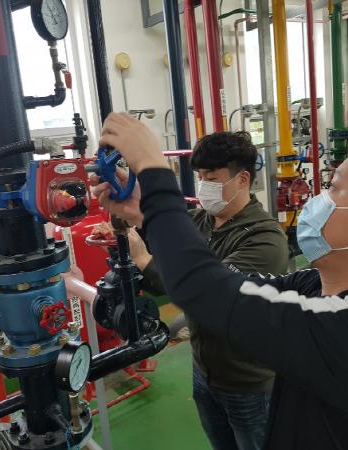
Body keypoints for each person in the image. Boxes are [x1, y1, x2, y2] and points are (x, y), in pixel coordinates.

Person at [93, 113, 348, 450]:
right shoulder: (318, 287)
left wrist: (154, 174)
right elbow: (230, 288)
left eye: (334, 188)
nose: (317, 200)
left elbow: (207, 289)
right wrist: (146, 212)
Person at [93, 131, 288, 450]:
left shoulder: (265, 239)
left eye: (211, 178)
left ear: (242, 179)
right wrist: (131, 206)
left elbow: (209, 295)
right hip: (203, 372)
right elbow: (162, 235)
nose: (203, 185)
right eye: (199, 177)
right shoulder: (201, 221)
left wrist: (142, 257)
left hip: (248, 383)